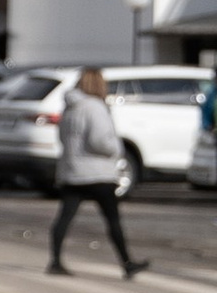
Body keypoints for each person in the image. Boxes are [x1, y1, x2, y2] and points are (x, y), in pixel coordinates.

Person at [48, 67, 148, 280]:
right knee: (112, 220)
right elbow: (100, 140)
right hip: (98, 172)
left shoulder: (70, 107)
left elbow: (62, 137)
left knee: (64, 217)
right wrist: (116, 149)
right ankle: (127, 263)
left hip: (72, 170)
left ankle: (55, 260)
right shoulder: (95, 107)